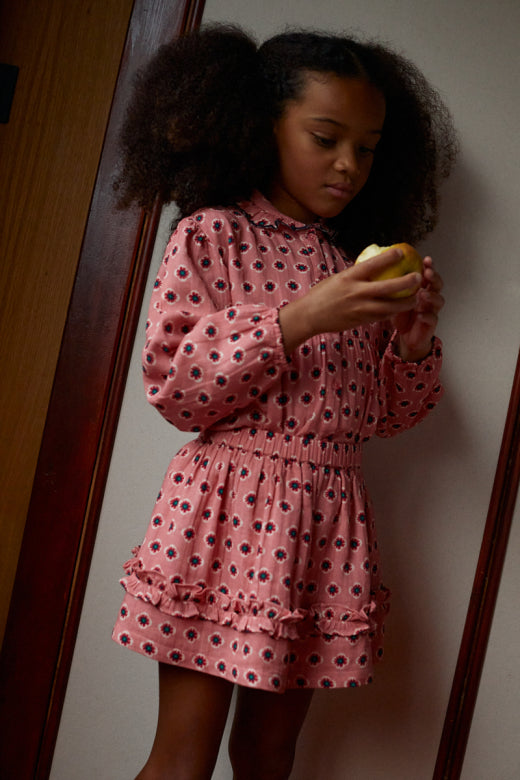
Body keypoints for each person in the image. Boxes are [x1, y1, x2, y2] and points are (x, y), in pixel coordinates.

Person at [112, 24, 457, 780]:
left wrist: (411, 342)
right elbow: (176, 387)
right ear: (262, 125)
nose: (348, 164)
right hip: (224, 514)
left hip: (324, 527)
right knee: (182, 760)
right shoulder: (213, 235)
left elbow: (381, 417)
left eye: (367, 148)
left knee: (269, 756)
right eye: (326, 138)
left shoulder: (349, 263)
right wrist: (300, 318)